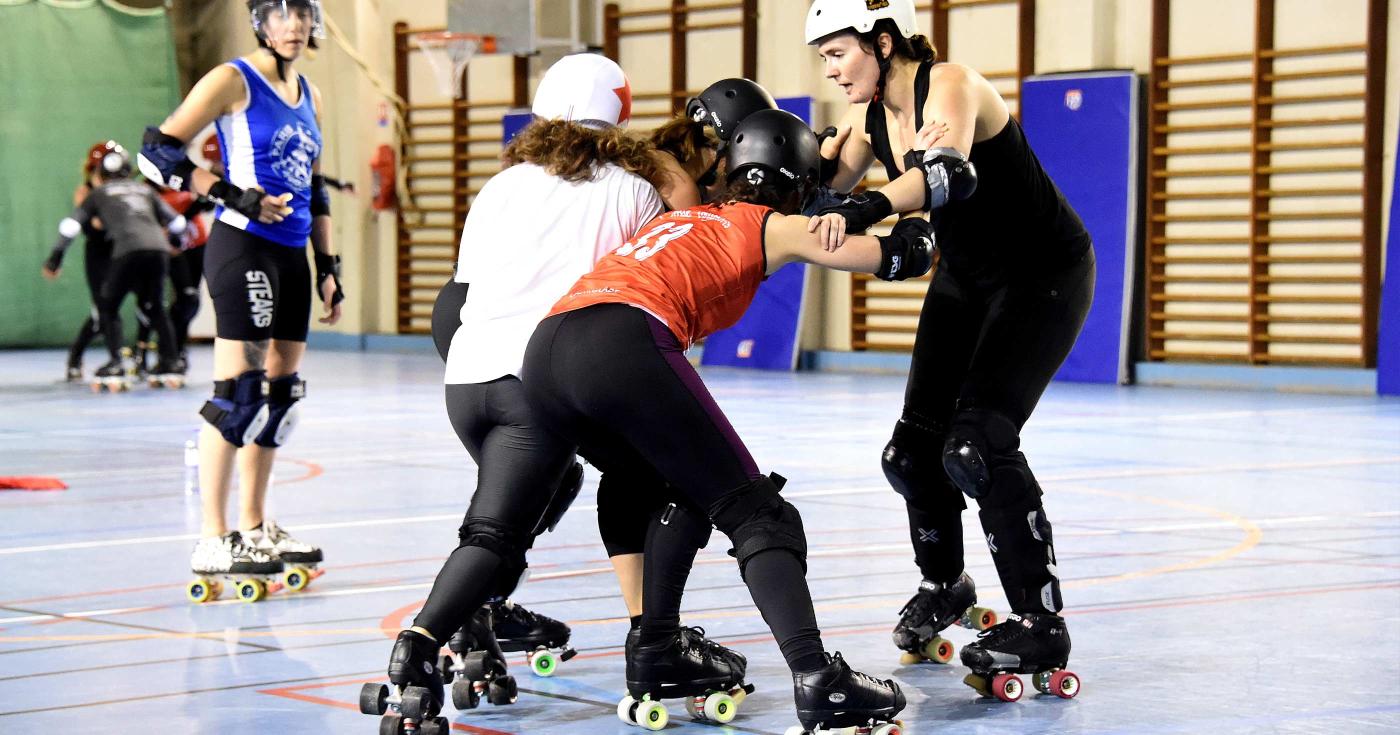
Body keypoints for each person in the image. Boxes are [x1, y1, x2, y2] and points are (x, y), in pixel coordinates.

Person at [522, 108, 934, 733]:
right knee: (759, 513)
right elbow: (899, 258)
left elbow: (819, 197)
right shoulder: (770, 223)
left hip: (547, 351)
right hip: (622, 341)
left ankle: (656, 648)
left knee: (676, 488)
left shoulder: (687, 215)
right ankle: (818, 678)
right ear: (793, 183)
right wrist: (925, 192)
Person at [366, 54, 668, 732]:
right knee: (498, 531)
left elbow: (462, 294)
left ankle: (480, 619)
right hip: (539, 385)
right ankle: (420, 644)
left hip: (466, 381)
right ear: (617, 118)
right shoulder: (630, 192)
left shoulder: (501, 187)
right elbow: (643, 301)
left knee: (550, 488)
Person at [806, 0, 1093, 695]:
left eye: (838, 53)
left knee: (978, 445)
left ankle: (1040, 621)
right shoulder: (870, 119)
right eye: (823, 59)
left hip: (1040, 276)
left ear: (881, 40)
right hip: (967, 281)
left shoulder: (954, 84)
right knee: (913, 454)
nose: (832, 71)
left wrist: (868, 205)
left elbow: (945, 177)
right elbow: (816, 188)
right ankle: (947, 586)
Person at [138, 0, 343, 588]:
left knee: (281, 396)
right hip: (243, 245)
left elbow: (316, 188)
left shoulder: (312, 94)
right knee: (238, 394)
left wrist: (328, 264)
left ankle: (254, 526)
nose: (294, 25)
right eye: (282, 15)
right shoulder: (233, 79)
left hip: (292, 254)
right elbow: (156, 150)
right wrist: (232, 194)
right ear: (259, 22)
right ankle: (212, 537)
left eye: (303, 14)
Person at [43, 143, 187, 389]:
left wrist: (55, 258)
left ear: (101, 174)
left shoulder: (100, 193)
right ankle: (171, 362)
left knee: (108, 308)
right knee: (156, 307)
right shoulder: (144, 190)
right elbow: (178, 223)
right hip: (158, 250)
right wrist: (174, 241)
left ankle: (116, 362)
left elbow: (71, 226)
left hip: (126, 251)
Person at [58, 142, 123, 382]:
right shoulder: (85, 191)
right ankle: (78, 358)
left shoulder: (122, 187)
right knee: (102, 311)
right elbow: (96, 224)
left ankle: (139, 357)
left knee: (144, 303)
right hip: (98, 254)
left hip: (122, 251)